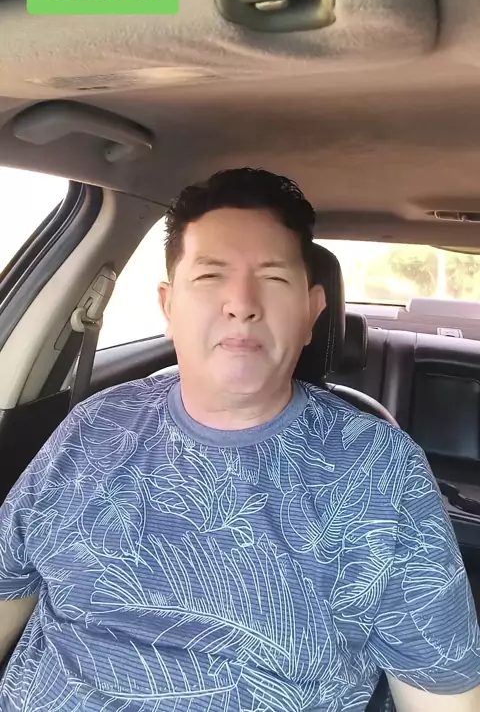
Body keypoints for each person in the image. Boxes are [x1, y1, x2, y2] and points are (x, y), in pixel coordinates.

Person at [0, 167, 479, 712]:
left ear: (312, 312)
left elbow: (443, 698)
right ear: (168, 306)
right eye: (210, 276)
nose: (242, 303)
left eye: (273, 278)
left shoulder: (381, 471)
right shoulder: (93, 428)